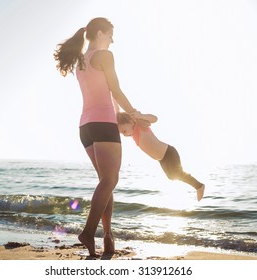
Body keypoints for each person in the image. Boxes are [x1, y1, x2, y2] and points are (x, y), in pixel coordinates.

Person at [54, 17, 145, 257]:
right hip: (103, 124)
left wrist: (121, 115)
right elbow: (115, 88)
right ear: (101, 33)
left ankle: (107, 237)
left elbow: (106, 93)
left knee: (106, 183)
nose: (113, 40)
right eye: (111, 34)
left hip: (86, 127)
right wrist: (135, 113)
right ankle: (88, 231)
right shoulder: (104, 56)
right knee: (110, 180)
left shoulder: (80, 60)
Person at [117, 112, 205, 201]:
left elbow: (155, 119)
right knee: (171, 177)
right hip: (161, 159)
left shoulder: (140, 126)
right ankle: (198, 186)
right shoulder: (133, 134)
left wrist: (141, 116)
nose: (124, 134)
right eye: (121, 133)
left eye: (124, 131)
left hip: (168, 153)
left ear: (131, 122)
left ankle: (199, 186)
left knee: (178, 173)